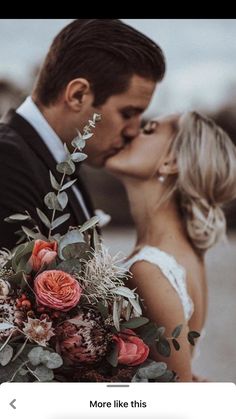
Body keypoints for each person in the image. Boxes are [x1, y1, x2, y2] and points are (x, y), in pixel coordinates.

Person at [0, 19, 165, 249]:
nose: (134, 131)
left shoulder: (63, 162)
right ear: (78, 95)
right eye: (127, 113)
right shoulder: (6, 162)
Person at [105, 111, 236, 381]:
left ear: (171, 161)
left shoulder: (150, 271)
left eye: (149, 129)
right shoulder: (187, 257)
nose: (131, 132)